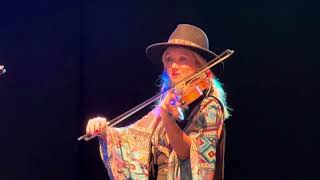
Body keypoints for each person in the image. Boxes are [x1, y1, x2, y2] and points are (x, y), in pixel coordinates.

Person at [85, 24, 231, 179]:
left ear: (199, 64)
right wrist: (103, 131)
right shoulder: (168, 102)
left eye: (182, 59)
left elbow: (188, 154)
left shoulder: (210, 106)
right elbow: (133, 137)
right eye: (169, 59)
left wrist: (166, 116)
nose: (173, 66)